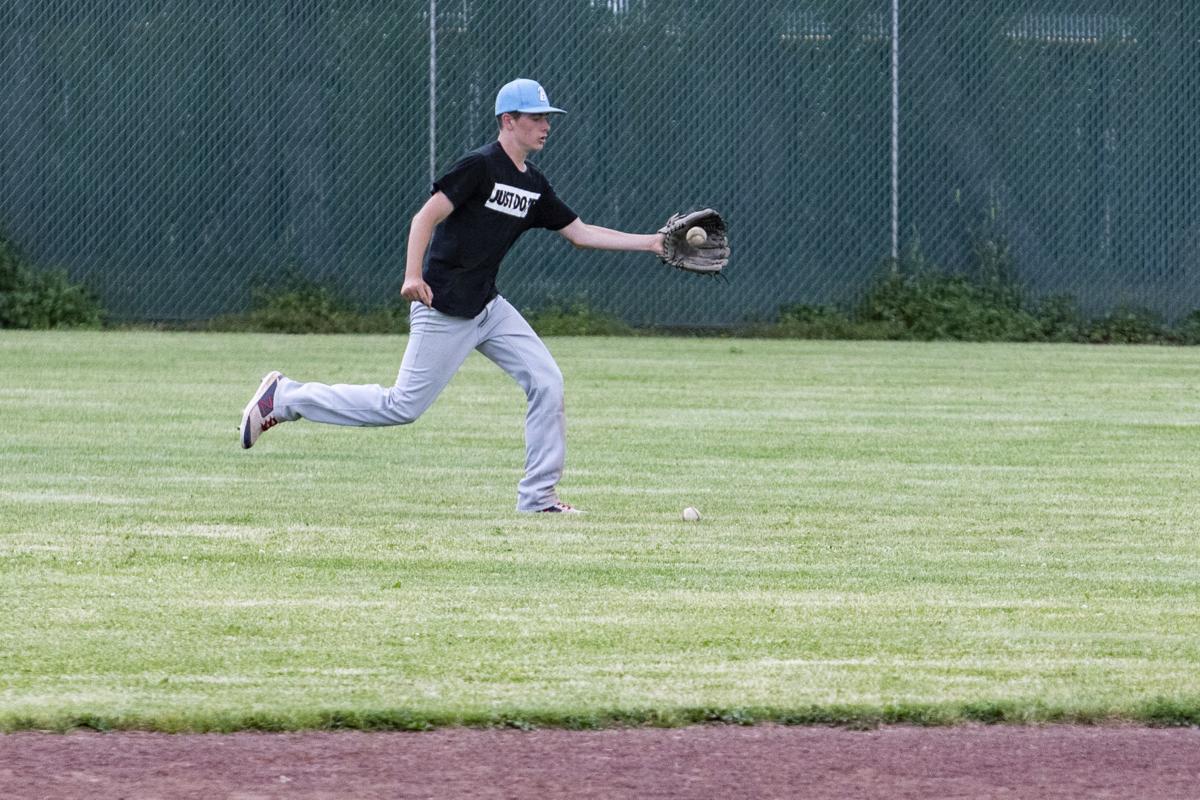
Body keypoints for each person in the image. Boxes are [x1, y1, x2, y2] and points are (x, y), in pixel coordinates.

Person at [239, 78, 665, 513]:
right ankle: (285, 397)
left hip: (488, 307)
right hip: (443, 307)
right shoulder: (479, 166)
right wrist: (411, 275)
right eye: (536, 118)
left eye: (546, 118)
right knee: (401, 406)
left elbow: (580, 233)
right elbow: (424, 218)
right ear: (508, 121)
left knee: (547, 382)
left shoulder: (534, 184)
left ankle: (538, 499)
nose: (545, 126)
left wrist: (652, 242)